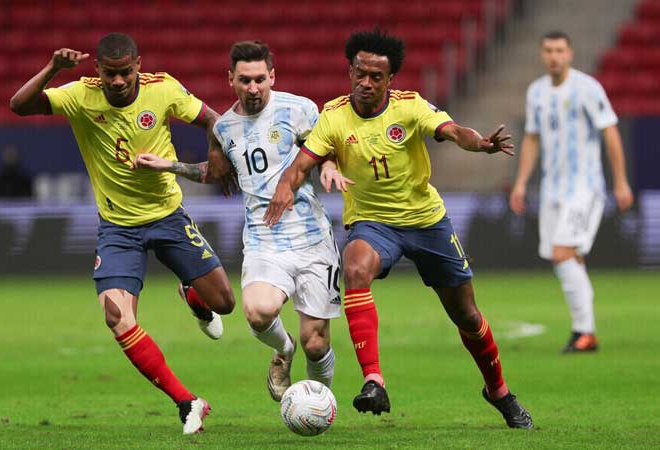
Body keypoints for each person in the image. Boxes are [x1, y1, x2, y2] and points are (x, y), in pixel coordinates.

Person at [264, 28, 533, 429]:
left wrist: (478, 143)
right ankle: (374, 380)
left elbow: (453, 131)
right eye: (359, 74)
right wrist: (285, 187)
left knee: (467, 315)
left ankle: (498, 390)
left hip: (426, 221)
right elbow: (302, 164)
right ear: (350, 72)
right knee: (355, 267)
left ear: (390, 79)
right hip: (373, 224)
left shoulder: (410, 106)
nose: (366, 83)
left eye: (376, 77)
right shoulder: (333, 115)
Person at [9, 32, 236, 434]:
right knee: (116, 316)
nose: (117, 81)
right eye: (110, 73)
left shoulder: (162, 88)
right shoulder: (80, 94)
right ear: (97, 69)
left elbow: (212, 119)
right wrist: (53, 68)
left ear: (138, 66)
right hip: (118, 228)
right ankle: (187, 402)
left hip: (168, 216)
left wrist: (215, 153)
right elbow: (20, 105)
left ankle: (193, 295)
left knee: (225, 303)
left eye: (125, 72)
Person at [133, 40, 349, 400]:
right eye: (245, 80)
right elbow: (217, 174)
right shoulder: (224, 129)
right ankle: (283, 349)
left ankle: (318, 405)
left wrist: (328, 167)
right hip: (265, 239)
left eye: (260, 79)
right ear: (230, 79)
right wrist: (170, 165)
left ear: (272, 77)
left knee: (316, 343)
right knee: (258, 312)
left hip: (312, 238)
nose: (253, 88)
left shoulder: (299, 109)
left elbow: (324, 149)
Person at [510, 31, 634, 353]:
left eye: (559, 50)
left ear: (570, 54)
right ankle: (586, 332)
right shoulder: (536, 92)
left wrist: (620, 181)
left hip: (584, 187)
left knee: (562, 252)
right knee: (570, 258)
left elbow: (610, 133)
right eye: (548, 50)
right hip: (552, 189)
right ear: (542, 54)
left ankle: (584, 332)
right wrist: (521, 182)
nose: (554, 56)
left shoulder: (587, 88)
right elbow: (532, 138)